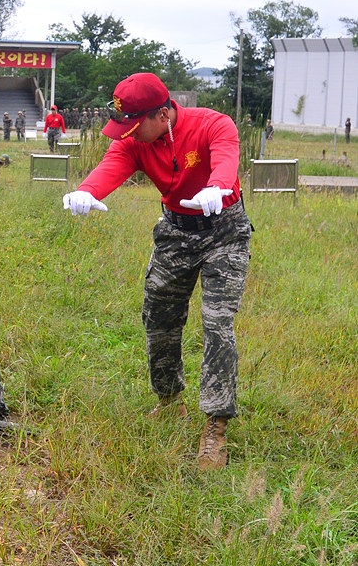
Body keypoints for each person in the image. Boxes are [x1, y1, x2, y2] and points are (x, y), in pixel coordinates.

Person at [62, 72, 252, 471]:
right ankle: (169, 403)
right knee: (159, 316)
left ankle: (215, 426)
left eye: (134, 125)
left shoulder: (213, 123)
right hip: (175, 232)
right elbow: (112, 163)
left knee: (217, 323)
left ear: (163, 115)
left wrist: (218, 184)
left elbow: (225, 154)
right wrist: (87, 191)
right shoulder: (134, 141)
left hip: (224, 232)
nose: (126, 134)